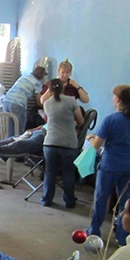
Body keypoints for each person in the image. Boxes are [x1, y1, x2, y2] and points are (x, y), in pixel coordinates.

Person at [87, 85, 130, 246]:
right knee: (126, 203)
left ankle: (94, 232)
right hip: (129, 165)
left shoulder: (110, 120)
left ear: (117, 99)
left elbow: (96, 145)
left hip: (110, 165)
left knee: (101, 199)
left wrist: (90, 138)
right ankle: (122, 236)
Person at [41, 78, 84, 208]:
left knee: (50, 173)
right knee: (68, 174)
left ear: (50, 89)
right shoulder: (71, 101)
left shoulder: (47, 103)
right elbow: (81, 121)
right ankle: (69, 201)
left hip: (50, 143)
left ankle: (46, 200)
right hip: (68, 143)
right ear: (63, 88)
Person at [2, 61, 47, 135]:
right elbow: (39, 101)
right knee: (19, 129)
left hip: (6, 101)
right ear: (42, 76)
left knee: (10, 128)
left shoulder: (24, 77)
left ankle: (9, 143)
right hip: (17, 103)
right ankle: (18, 144)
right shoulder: (37, 83)